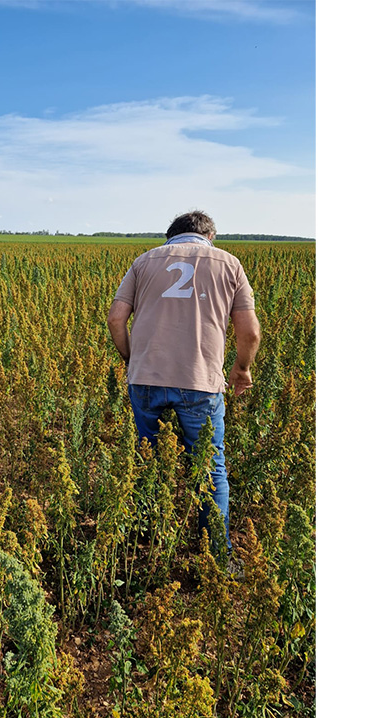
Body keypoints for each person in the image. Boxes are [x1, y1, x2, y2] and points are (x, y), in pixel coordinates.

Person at [106, 210, 261, 558]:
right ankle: (217, 556)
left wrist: (132, 360)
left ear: (170, 236)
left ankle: (145, 537)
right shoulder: (229, 264)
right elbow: (249, 332)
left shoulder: (144, 261)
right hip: (200, 380)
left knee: (147, 459)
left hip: (145, 378)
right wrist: (241, 369)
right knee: (209, 466)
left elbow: (116, 319)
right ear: (210, 236)